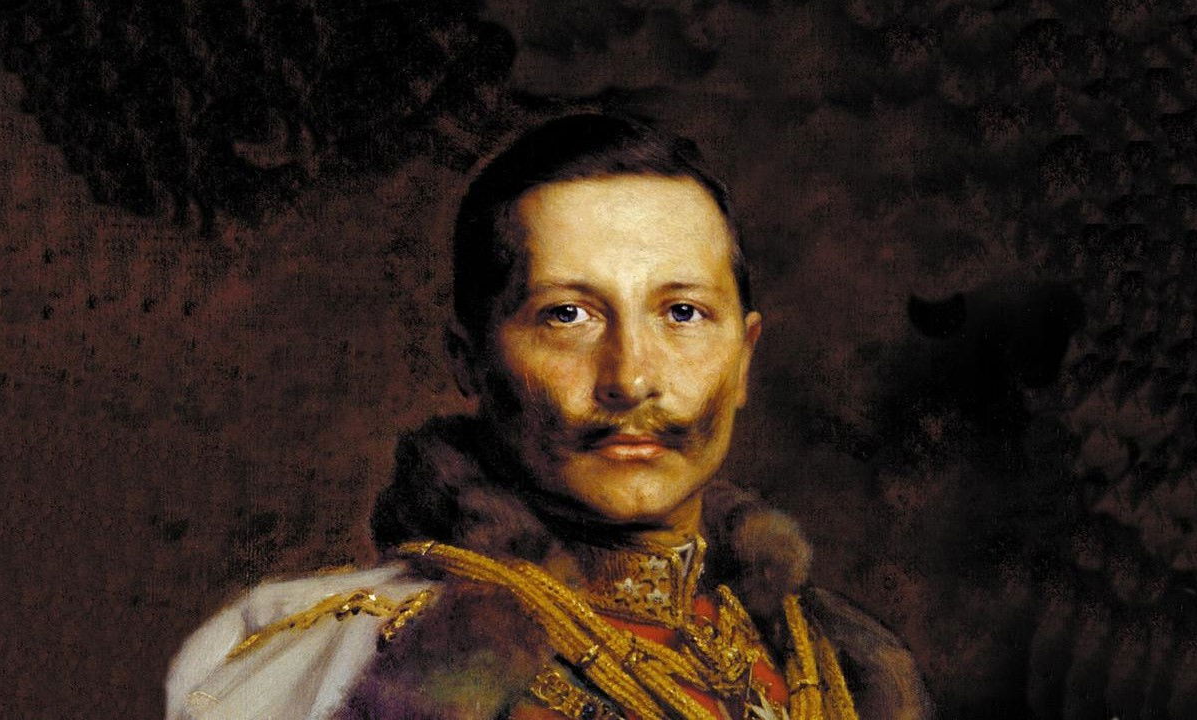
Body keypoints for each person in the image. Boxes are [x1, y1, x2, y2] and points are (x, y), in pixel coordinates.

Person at [165, 114, 933, 720]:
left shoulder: (836, 660)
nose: (631, 378)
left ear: (743, 358)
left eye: (683, 313)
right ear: (470, 361)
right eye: (567, 315)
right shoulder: (359, 650)